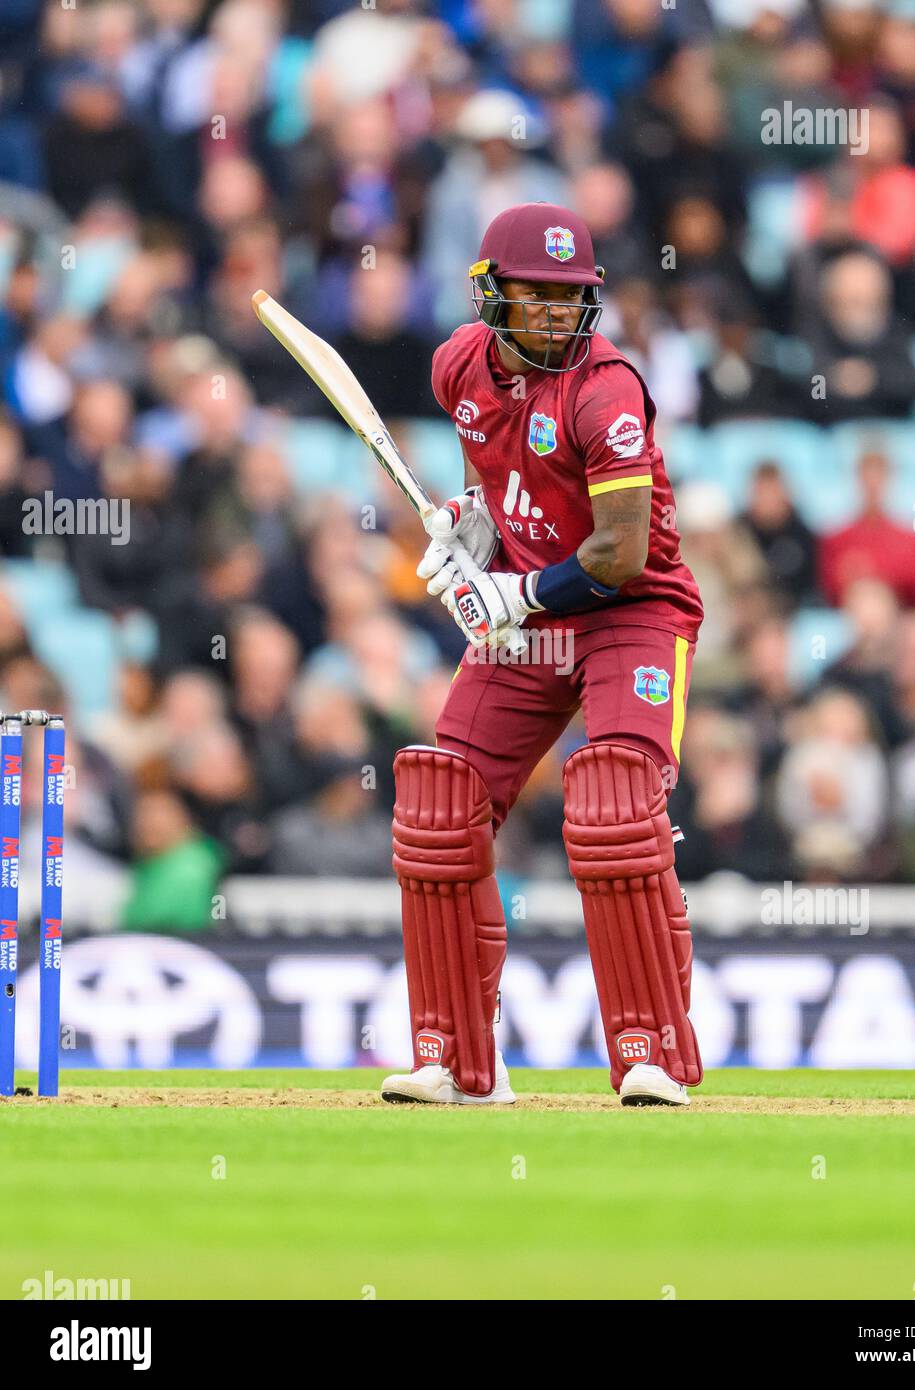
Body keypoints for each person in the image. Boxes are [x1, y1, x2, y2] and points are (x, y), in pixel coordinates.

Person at [380, 203, 704, 1108]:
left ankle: (651, 1053)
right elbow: (507, 468)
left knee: (611, 804)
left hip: (632, 611)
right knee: (441, 805)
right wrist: (472, 522)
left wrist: (514, 590)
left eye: (572, 300)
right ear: (491, 297)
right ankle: (458, 1060)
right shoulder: (457, 367)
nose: (558, 317)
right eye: (538, 298)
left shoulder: (606, 392)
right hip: (530, 617)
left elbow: (620, 552)